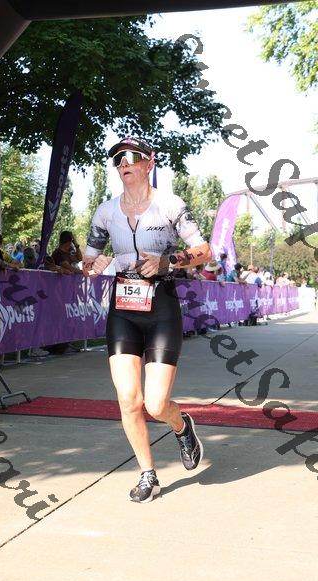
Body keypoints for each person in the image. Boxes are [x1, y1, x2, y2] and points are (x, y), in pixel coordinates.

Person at [82, 136, 211, 503]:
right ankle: (148, 474)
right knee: (128, 400)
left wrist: (168, 261)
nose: (124, 163)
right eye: (118, 159)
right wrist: (93, 265)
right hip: (123, 309)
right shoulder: (106, 211)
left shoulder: (170, 205)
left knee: (155, 405)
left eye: (131, 157)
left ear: (149, 163)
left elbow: (204, 250)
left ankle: (181, 425)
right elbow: (86, 263)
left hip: (161, 307)